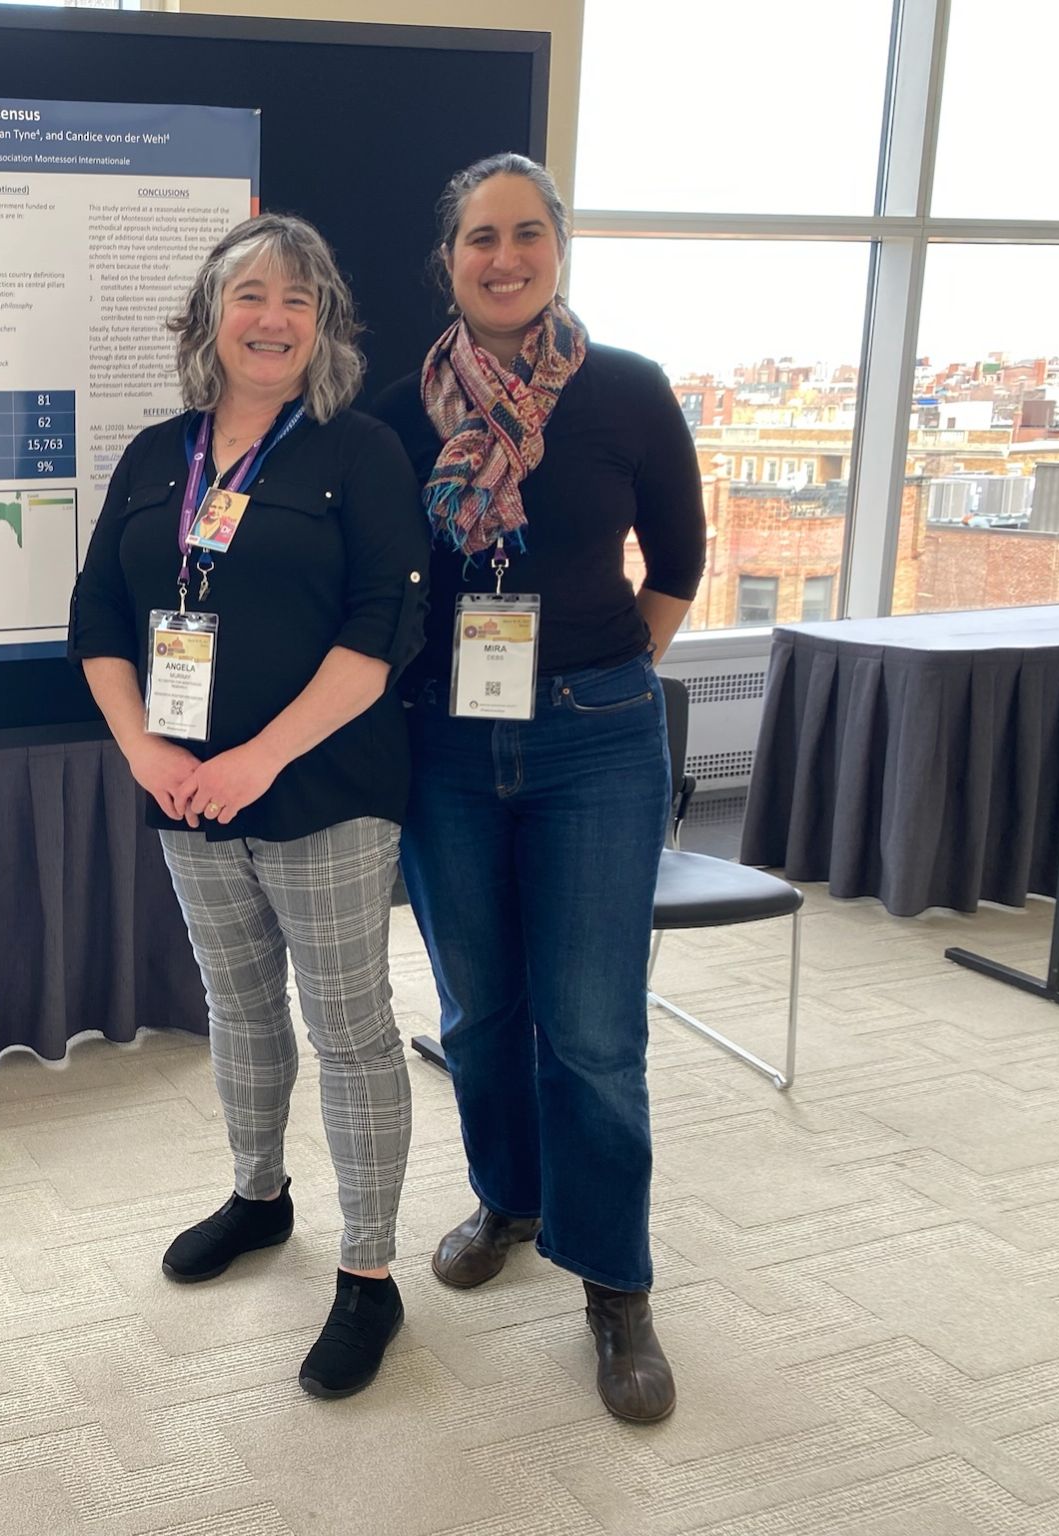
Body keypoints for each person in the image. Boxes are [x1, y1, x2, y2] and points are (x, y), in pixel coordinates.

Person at [69, 213, 428, 1399]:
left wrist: (255, 761)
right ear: (209, 319)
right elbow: (100, 624)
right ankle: (259, 1196)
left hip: (321, 791)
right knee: (237, 1009)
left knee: (349, 1028)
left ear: (322, 326)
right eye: (249, 296)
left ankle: (368, 1273)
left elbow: (382, 635)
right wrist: (144, 753)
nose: (272, 319)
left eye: (298, 300)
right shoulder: (153, 454)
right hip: (184, 795)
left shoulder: (359, 451)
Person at [372, 153, 705, 1423]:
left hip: (594, 739)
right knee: (475, 1012)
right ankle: (507, 1196)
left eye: (524, 235)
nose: (502, 257)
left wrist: (600, 674)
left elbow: (676, 556)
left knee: (592, 1029)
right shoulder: (402, 413)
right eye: (477, 240)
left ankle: (614, 1281)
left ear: (556, 248)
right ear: (447, 261)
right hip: (446, 745)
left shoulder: (623, 391)